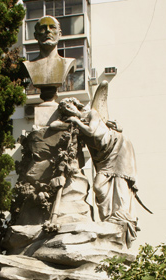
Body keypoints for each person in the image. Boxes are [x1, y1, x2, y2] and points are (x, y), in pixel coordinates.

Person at [56, 92, 139, 245]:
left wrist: (76, 120)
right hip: (104, 157)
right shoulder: (76, 123)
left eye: (69, 106)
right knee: (99, 187)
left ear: (76, 105)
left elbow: (92, 132)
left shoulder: (91, 114)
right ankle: (110, 219)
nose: (69, 110)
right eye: (65, 109)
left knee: (119, 183)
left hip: (118, 147)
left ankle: (121, 218)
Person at [23, 16, 76, 101]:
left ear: (60, 34)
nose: (48, 31)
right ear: (36, 35)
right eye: (43, 28)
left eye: (52, 27)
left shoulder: (67, 63)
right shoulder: (28, 65)